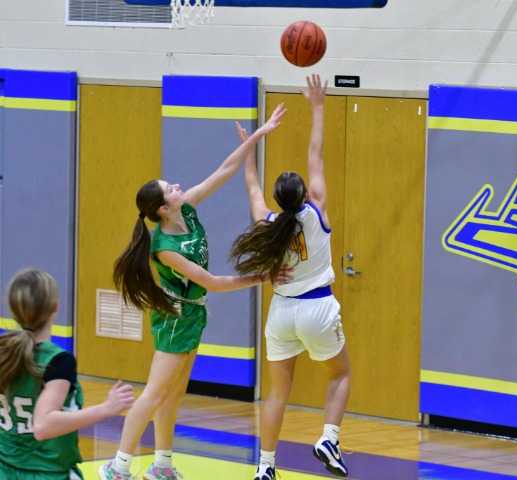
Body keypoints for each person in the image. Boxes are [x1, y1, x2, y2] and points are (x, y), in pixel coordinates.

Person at [99, 103, 288, 480]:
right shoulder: (164, 247)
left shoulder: (185, 210)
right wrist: (262, 277)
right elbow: (213, 282)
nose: (178, 186)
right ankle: (119, 467)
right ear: (162, 208)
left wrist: (256, 137)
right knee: (154, 394)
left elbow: (224, 170)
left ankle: (162, 465)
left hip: (192, 313)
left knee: (173, 394)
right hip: (174, 317)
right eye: (170, 188)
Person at [230, 74, 351, 480]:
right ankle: (328, 438)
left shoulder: (266, 224)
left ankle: (265, 466)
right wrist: (317, 107)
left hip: (281, 313)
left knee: (277, 394)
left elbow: (251, 186)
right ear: (305, 194)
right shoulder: (316, 209)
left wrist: (249, 146)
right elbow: (315, 154)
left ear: (278, 200)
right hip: (317, 306)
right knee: (341, 374)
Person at [0, 268, 135, 480]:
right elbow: (43, 426)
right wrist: (105, 408)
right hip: (47, 473)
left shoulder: (4, 352)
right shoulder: (58, 361)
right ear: (55, 307)